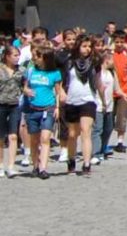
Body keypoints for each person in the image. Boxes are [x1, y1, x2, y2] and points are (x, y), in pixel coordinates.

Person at [64, 34, 108, 175]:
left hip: (88, 100)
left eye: (89, 46)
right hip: (72, 100)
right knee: (72, 134)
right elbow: (61, 80)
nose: (87, 49)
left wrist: (103, 101)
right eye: (84, 46)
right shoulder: (69, 61)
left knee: (86, 130)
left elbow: (98, 83)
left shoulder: (95, 62)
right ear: (78, 46)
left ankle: (87, 163)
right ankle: (71, 160)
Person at [21, 45, 63, 179]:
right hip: (32, 109)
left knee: (45, 138)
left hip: (48, 108)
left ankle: (43, 168)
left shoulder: (55, 73)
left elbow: (57, 92)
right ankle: (35, 165)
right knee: (34, 140)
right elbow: (25, 87)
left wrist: (57, 108)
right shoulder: (31, 71)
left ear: (45, 58)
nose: (35, 58)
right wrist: (26, 90)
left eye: (38, 56)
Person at [110, 30, 127, 152]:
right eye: (117, 42)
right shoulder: (109, 55)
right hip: (110, 91)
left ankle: (120, 141)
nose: (119, 44)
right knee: (109, 117)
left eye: (122, 42)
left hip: (125, 90)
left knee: (122, 117)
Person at [0, 43, 23, 178]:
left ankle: (11, 165)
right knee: (1, 137)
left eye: (18, 55)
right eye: (15, 55)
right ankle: (1, 165)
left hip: (15, 104)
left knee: (13, 135)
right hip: (1, 104)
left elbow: (24, 84)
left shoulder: (21, 70)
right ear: (7, 56)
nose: (17, 58)